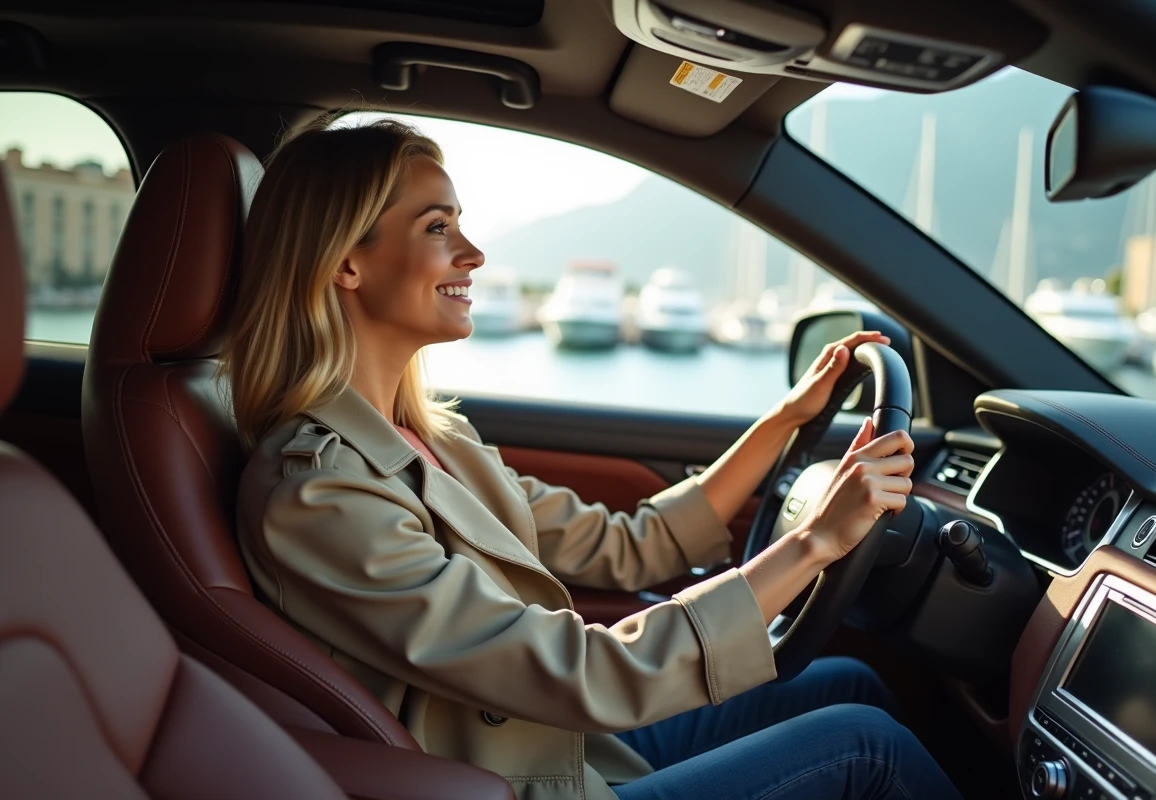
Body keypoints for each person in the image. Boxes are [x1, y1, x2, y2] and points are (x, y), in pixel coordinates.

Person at [222, 115, 962, 800]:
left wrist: (787, 419)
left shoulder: (437, 441)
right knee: (867, 748)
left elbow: (631, 546)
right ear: (346, 264)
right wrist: (815, 542)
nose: (473, 254)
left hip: (565, 745)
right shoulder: (321, 493)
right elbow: (580, 674)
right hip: (516, 781)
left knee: (846, 682)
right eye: (438, 227)